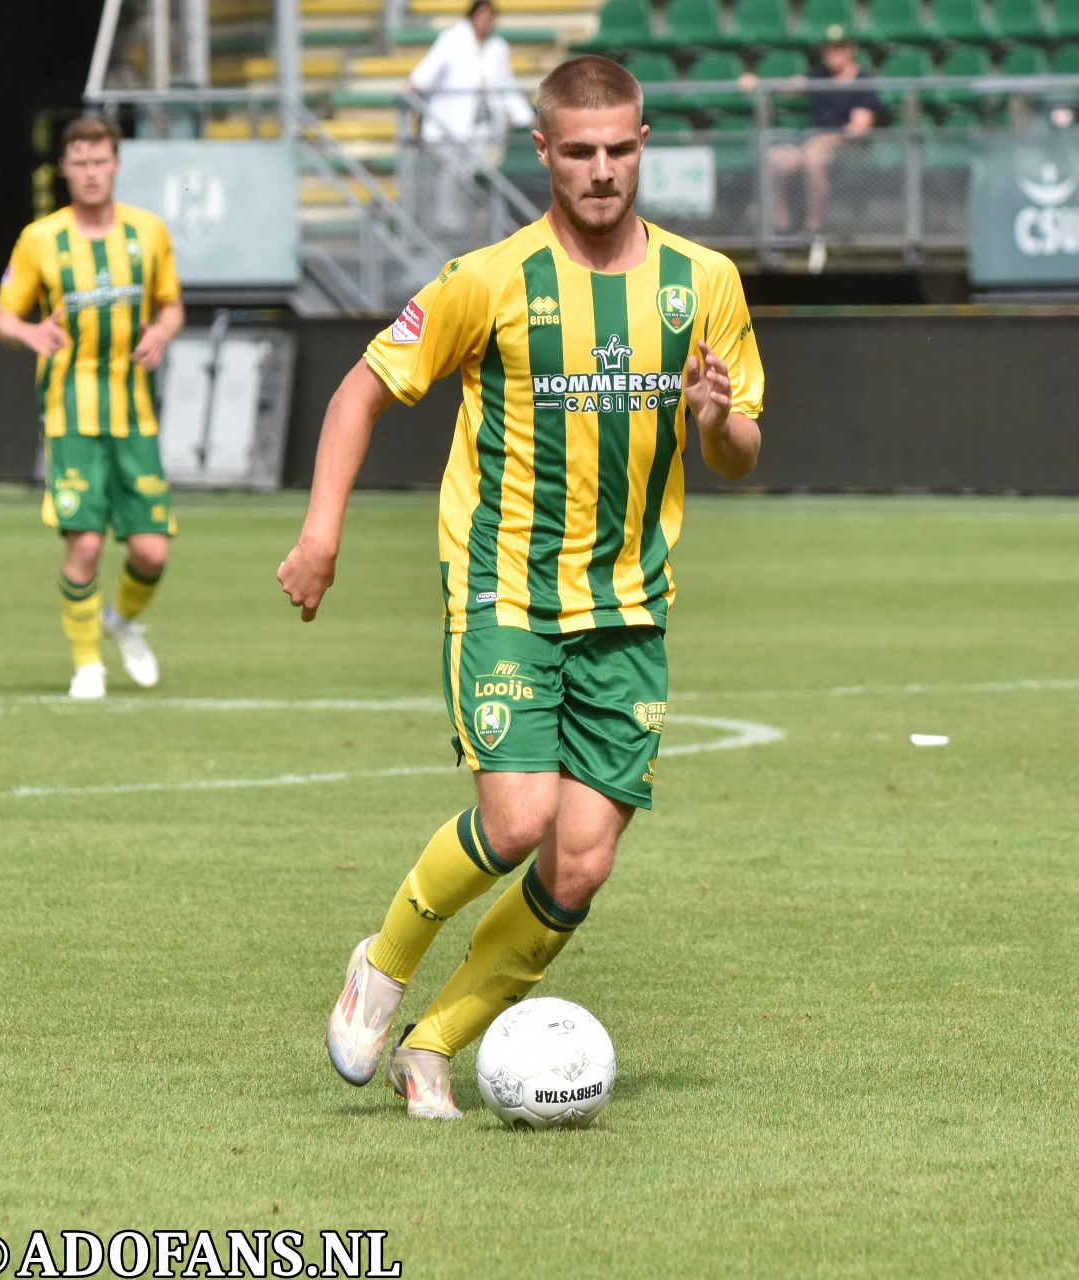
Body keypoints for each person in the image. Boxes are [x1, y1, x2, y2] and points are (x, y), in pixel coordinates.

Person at [283, 54, 764, 1118]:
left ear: (645, 146)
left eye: (621, 149)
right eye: (580, 151)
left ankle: (435, 1042)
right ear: (542, 151)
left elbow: (739, 451)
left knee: (579, 863)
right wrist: (323, 532)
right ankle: (384, 959)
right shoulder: (490, 279)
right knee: (514, 819)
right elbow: (364, 387)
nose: (602, 170)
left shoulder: (704, 283)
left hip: (631, 607)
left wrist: (713, 418)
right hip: (507, 590)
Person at [0, 113, 184, 700]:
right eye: (80, 162)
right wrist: (28, 335)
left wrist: (163, 334)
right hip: (69, 411)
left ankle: (120, 623)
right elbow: (2, 318)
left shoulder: (147, 232)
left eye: (100, 161)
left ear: (116, 164)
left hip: (135, 412)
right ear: (64, 168)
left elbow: (172, 306)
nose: (91, 172)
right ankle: (87, 666)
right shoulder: (40, 239)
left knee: (151, 550)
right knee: (87, 543)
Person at [408, 0, 537, 234]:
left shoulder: (497, 47)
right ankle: (450, 227)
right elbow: (425, 73)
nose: (486, 21)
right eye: (482, 15)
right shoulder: (451, 40)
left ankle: (473, 227)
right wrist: (413, 92)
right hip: (450, 127)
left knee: (476, 177)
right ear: (473, 16)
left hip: (484, 128)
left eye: (490, 17)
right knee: (452, 175)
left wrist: (526, 117)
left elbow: (506, 87)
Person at [763, 26, 878, 271]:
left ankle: (814, 227)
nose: (833, 53)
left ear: (850, 49)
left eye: (839, 47)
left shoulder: (863, 81)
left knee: (814, 156)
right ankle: (781, 226)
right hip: (814, 143)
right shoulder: (819, 76)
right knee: (778, 157)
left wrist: (825, 141)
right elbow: (793, 86)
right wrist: (760, 83)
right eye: (829, 48)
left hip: (848, 148)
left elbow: (859, 128)